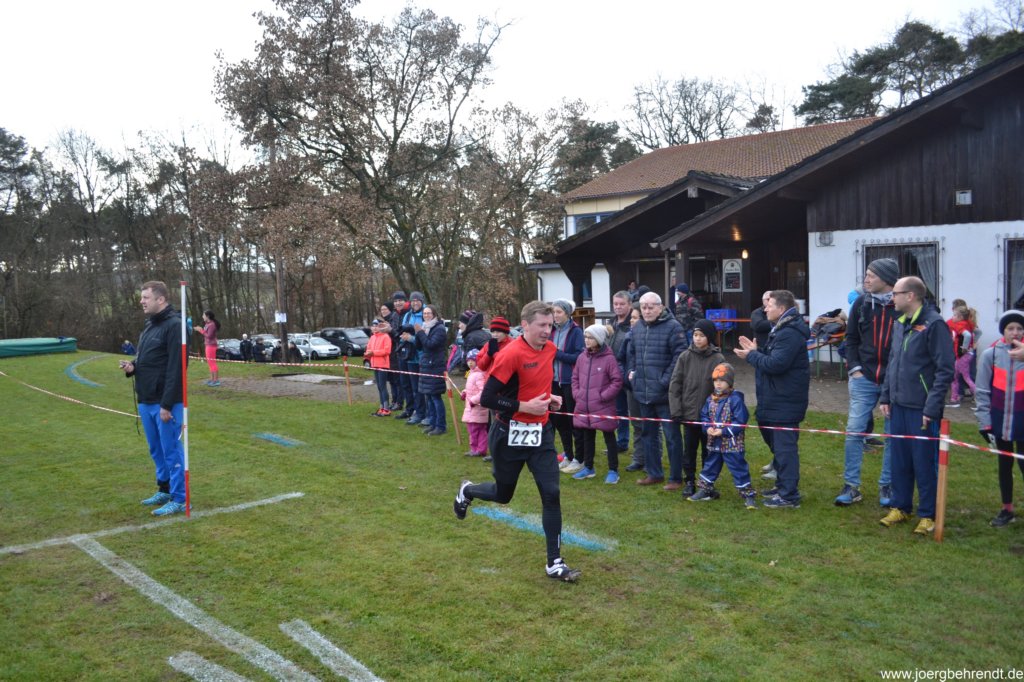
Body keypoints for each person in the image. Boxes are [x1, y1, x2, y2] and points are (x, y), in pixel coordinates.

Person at [452, 300, 581, 582]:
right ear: (524, 325)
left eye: (550, 325)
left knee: (551, 493)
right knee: (503, 494)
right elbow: (488, 398)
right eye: (542, 325)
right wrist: (525, 406)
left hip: (541, 433)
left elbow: (535, 383)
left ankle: (554, 562)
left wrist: (549, 397)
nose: (547, 331)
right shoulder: (510, 354)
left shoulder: (550, 349)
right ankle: (468, 490)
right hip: (508, 433)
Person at [878, 276, 955, 535]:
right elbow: (893, 361)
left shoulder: (934, 324)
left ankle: (928, 514)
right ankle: (901, 506)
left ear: (910, 295)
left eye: (896, 293)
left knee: (924, 462)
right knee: (899, 459)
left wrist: (931, 408)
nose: (892, 298)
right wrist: (886, 396)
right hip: (898, 405)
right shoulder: (900, 322)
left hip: (922, 409)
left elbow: (945, 370)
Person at [735, 289, 810, 509]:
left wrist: (752, 355)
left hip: (785, 399)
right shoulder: (781, 329)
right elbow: (773, 357)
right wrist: (757, 351)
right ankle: (783, 486)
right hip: (776, 398)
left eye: (769, 304)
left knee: (785, 449)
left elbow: (776, 364)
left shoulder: (789, 333)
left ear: (782, 308)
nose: (765, 308)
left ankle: (789, 495)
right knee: (778, 445)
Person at [835, 257, 900, 507]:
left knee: (892, 435)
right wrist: (855, 369)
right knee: (854, 431)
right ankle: (851, 486)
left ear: (887, 279)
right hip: (863, 379)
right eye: (866, 274)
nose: (866, 279)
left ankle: (887, 485)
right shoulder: (861, 303)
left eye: (871, 275)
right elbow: (850, 339)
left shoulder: (902, 304)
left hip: (894, 382)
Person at [120, 281, 187, 517]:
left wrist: (167, 404)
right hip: (146, 399)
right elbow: (148, 358)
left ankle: (180, 498)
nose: (141, 301)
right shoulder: (150, 325)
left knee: (171, 450)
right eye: (142, 297)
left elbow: (177, 368)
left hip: (165, 403)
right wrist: (133, 366)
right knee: (156, 450)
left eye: (145, 297)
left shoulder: (174, 326)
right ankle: (165, 489)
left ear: (161, 299)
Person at [627, 292, 687, 491]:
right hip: (643, 392)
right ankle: (654, 473)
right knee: (648, 434)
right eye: (643, 307)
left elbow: (680, 357)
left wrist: (664, 381)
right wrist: (632, 374)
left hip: (665, 394)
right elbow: (632, 354)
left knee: (672, 437)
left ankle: (676, 478)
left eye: (651, 307)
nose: (647, 310)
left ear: (660, 307)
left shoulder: (673, 327)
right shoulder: (637, 327)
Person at [976, 310, 1024, 527]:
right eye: (1010, 328)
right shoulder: (991, 354)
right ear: (1003, 330)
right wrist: (984, 423)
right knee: (1005, 465)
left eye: (1020, 328)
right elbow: (982, 390)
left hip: (1022, 420)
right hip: (999, 419)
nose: (1015, 332)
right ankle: (1007, 509)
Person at [669, 318, 725, 495]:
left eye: (701, 335)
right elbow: (675, 384)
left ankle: (706, 483)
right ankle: (689, 481)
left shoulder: (718, 358)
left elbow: (724, 387)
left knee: (709, 451)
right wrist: (676, 410)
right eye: (695, 335)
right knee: (690, 450)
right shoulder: (685, 357)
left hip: (710, 417)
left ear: (709, 337)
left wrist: (719, 412)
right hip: (690, 414)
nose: (698, 339)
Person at [689, 363, 756, 508]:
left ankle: (748, 495)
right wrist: (707, 428)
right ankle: (705, 490)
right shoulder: (710, 399)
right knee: (710, 466)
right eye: (715, 380)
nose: (718, 384)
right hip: (714, 442)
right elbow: (704, 416)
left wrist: (724, 431)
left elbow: (740, 421)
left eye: (722, 380)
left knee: (738, 468)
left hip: (732, 444)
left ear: (729, 382)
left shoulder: (736, 400)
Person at [570, 323, 624, 483]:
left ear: (599, 339)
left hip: (603, 406)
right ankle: (588, 467)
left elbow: (617, 381)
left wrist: (603, 396)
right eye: (585, 337)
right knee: (587, 436)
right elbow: (575, 378)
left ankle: (613, 470)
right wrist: (577, 394)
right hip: (584, 405)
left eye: (591, 337)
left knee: (609, 437)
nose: (586, 340)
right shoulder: (582, 358)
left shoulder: (609, 359)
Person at [549, 299, 586, 474]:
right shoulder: (551, 330)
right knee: (559, 421)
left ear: (567, 313)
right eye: (554, 312)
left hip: (570, 381)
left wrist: (557, 354)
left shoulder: (575, 331)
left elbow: (579, 357)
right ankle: (568, 455)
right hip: (553, 381)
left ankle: (580, 458)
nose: (555, 315)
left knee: (573, 421)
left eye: (559, 312)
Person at [748, 290, 777, 479]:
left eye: (771, 302)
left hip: (772, 365)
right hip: (761, 363)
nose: (767, 305)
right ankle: (776, 457)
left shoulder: (783, 328)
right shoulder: (757, 313)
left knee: (775, 422)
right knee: (762, 417)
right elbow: (758, 325)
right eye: (766, 301)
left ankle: (779, 461)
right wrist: (773, 322)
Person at [608, 291, 637, 455]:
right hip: (614, 374)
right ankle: (622, 442)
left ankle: (639, 449)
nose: (618, 307)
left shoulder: (633, 323)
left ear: (629, 305)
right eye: (615, 304)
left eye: (622, 304)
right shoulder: (612, 322)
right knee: (619, 410)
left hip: (629, 373)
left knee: (636, 413)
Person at [415, 303, 448, 436]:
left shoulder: (439, 329)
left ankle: (441, 425)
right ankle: (433, 423)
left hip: (435, 366)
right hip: (426, 365)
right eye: (424, 313)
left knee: (435, 397)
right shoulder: (424, 327)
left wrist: (420, 333)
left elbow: (431, 344)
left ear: (434, 314)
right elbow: (419, 346)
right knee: (428, 396)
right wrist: (418, 334)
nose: (426, 315)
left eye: (429, 313)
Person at [398, 292, 427, 424]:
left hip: (422, 356)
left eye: (417, 300)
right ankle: (415, 411)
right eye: (413, 301)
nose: (415, 303)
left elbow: (426, 338)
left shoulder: (426, 314)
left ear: (422, 301)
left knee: (423, 388)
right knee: (412, 387)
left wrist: (412, 338)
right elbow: (402, 331)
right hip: (410, 356)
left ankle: (423, 413)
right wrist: (404, 337)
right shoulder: (408, 315)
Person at [947, 303, 978, 407]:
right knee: (955, 376)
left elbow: (967, 335)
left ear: (960, 317)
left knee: (965, 377)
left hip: (963, 355)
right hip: (963, 355)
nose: (952, 317)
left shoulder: (961, 325)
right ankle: (954, 398)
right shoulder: (967, 323)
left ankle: (979, 397)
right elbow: (977, 332)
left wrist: (964, 347)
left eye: (954, 315)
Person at [460, 348, 489, 457]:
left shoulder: (480, 374)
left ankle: (477, 449)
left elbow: (483, 391)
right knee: (477, 429)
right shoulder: (471, 373)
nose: (470, 363)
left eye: (473, 360)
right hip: (472, 408)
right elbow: (472, 388)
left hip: (476, 408)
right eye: (468, 360)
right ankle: (479, 449)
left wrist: (473, 400)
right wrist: (465, 392)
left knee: (475, 429)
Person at [379, 300, 403, 410]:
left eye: (385, 309)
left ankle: (399, 402)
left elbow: (396, 335)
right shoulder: (384, 321)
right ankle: (394, 401)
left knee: (397, 380)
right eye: (382, 310)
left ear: (390, 310)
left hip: (395, 353)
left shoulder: (394, 319)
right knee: (392, 380)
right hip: (388, 355)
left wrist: (389, 330)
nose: (383, 311)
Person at [366, 318, 393, 416]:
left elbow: (387, 351)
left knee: (382, 386)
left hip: (383, 365)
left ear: (381, 326)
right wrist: (367, 354)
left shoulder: (386, 337)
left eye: (376, 325)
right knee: (379, 387)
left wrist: (373, 353)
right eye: (373, 325)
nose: (374, 327)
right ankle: (381, 408)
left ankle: (386, 409)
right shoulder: (372, 337)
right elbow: (368, 348)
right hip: (374, 364)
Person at [194, 310, 221, 386]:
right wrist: (201, 329)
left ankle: (216, 381)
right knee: (210, 363)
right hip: (208, 345)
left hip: (211, 345)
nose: (202, 316)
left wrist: (201, 330)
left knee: (212, 363)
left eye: (203, 315)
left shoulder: (212, 325)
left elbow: (209, 336)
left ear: (208, 316)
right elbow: (206, 333)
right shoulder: (207, 324)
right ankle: (212, 379)